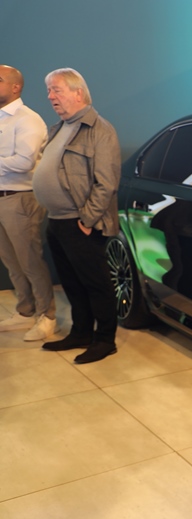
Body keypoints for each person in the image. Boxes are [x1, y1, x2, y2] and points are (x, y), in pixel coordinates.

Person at [32, 68, 120, 364]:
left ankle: (105, 340)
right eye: (48, 90)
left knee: (96, 283)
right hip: (57, 220)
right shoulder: (60, 128)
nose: (50, 96)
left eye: (56, 89)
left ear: (77, 92)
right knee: (71, 282)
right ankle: (81, 332)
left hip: (80, 222)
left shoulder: (99, 129)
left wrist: (87, 220)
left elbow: (106, 182)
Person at [0, 65, 57, 341]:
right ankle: (25, 310)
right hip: (2, 197)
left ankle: (47, 316)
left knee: (30, 261)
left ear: (16, 87)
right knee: (11, 261)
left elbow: (23, 162)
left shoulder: (28, 119)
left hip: (19, 199)